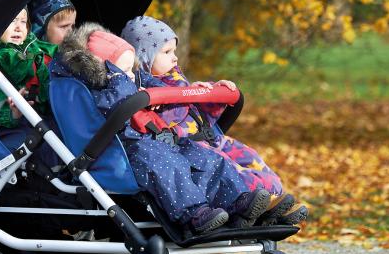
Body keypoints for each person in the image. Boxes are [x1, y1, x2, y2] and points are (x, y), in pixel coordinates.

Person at [52, 24, 273, 235]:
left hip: (158, 141)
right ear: (106, 71)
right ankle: (194, 214)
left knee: (206, 158)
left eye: (132, 68)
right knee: (167, 164)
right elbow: (114, 107)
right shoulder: (100, 91)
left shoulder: (130, 78)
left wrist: (159, 92)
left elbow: (159, 86)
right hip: (127, 153)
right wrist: (122, 82)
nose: (132, 74)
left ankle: (237, 201)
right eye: (125, 70)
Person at [120, 16, 308, 227]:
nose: (174, 58)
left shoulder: (174, 79)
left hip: (210, 136)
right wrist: (171, 98)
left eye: (174, 51)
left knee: (249, 156)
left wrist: (209, 94)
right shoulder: (142, 92)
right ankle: (255, 204)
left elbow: (199, 116)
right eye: (166, 53)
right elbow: (163, 122)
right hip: (188, 147)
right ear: (144, 57)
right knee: (228, 168)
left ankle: (274, 199)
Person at [0, 7, 57, 128]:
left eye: (23, 21)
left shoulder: (34, 45)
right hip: (26, 122)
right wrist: (13, 113)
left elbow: (57, 53)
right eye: (12, 21)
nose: (18, 27)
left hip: (53, 103)